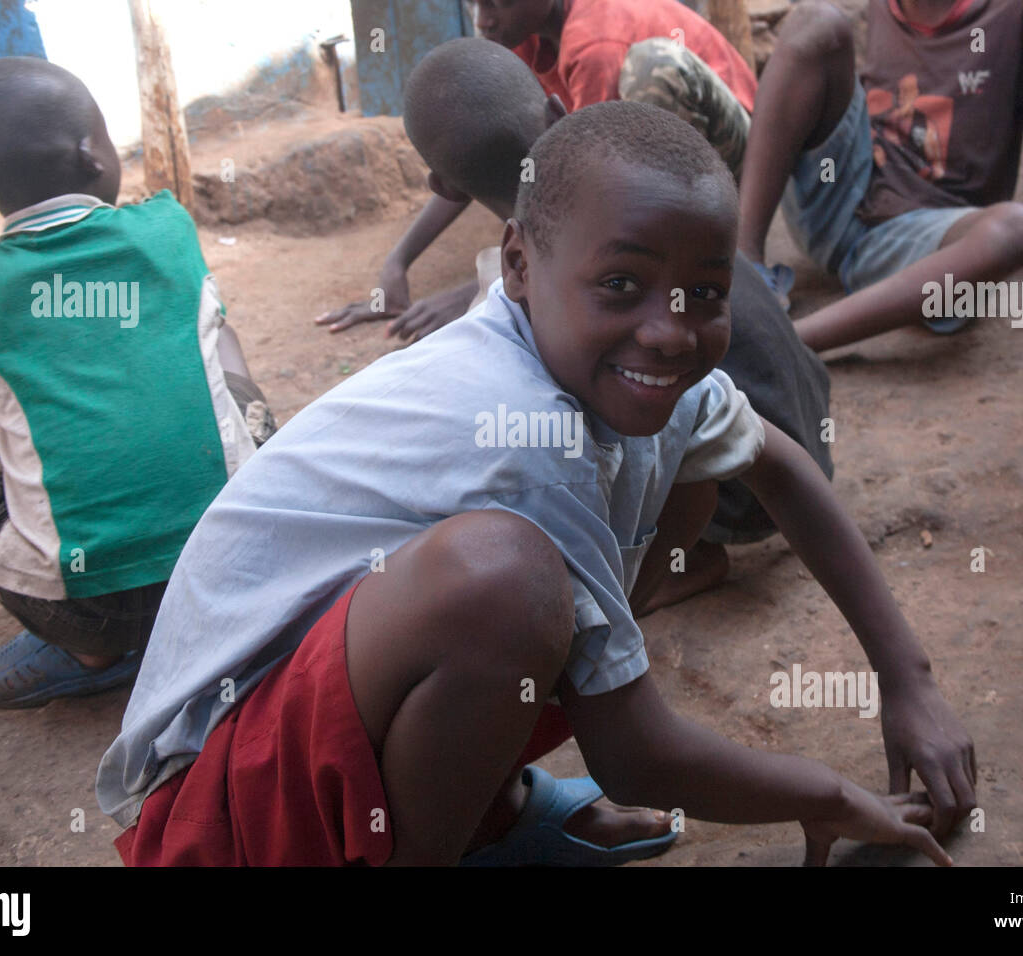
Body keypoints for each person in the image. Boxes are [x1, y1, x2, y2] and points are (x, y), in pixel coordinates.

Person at [99, 101, 973, 867]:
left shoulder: (629, 370)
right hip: (215, 808)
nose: (670, 333)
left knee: (682, 468)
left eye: (705, 292)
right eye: (621, 285)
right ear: (517, 265)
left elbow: (777, 464)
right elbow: (635, 755)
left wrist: (910, 679)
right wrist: (825, 796)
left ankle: (487, 811)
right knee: (506, 580)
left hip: (317, 718)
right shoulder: (521, 434)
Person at [399, 37, 833, 605]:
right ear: (556, 109)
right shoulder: (643, 196)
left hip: (745, 490)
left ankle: (678, 559)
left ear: (445, 188)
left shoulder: (545, 286)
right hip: (805, 425)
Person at [0, 57, 273, 708]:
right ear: (93, 155)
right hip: (231, 565)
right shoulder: (168, 228)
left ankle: (90, 650)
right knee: (217, 343)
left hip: (87, 607)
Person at [736, 0, 1023, 353]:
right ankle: (745, 268)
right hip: (841, 195)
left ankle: (792, 345)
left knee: (1017, 228)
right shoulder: (883, 8)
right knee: (817, 21)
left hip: (922, 240)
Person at [316, 0, 759, 341]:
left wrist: (492, 285)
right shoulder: (526, 35)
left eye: (498, 3)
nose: (484, 19)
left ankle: (720, 253)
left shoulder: (595, 44)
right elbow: (477, 148)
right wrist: (399, 262)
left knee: (647, 78)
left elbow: (593, 184)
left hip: (733, 161)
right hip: (637, 150)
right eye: (476, 4)